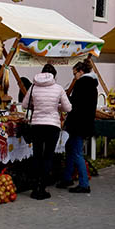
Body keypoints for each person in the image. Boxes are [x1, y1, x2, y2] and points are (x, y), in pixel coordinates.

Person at [21, 63, 71, 199]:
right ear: (54, 75)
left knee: (37, 155)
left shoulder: (33, 87)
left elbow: (25, 105)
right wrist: (56, 106)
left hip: (37, 125)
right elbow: (68, 108)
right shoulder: (58, 88)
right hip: (52, 126)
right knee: (48, 156)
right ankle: (42, 188)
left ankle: (35, 187)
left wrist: (37, 106)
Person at [58, 60, 98, 193]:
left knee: (76, 152)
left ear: (81, 72)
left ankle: (84, 183)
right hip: (85, 123)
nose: (74, 76)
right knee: (70, 147)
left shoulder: (82, 83)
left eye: (75, 73)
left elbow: (74, 104)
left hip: (78, 123)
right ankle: (67, 177)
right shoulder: (92, 84)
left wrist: (65, 99)